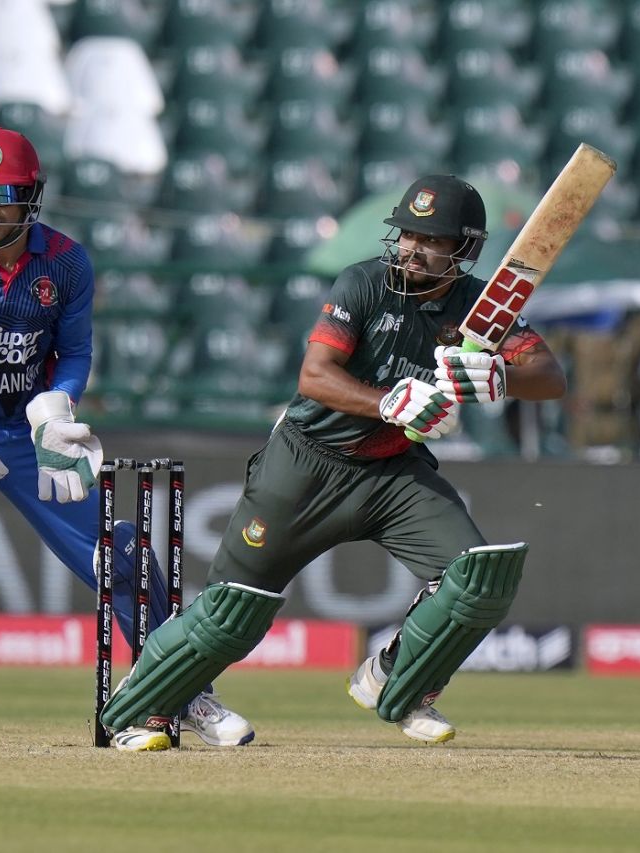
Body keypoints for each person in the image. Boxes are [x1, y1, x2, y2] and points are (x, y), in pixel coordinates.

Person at [100, 175, 568, 746]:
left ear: (463, 248)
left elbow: (551, 377)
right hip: (306, 464)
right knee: (232, 611)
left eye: (431, 240)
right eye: (408, 234)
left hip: (390, 474)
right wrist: (388, 402)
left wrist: (500, 378)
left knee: (479, 579)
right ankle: (137, 713)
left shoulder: (479, 308)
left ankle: (399, 681)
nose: (412, 248)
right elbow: (315, 377)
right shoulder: (364, 283)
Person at [0, 127, 252, 749]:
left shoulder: (66, 262)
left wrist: (56, 407)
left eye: (2, 195)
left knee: (120, 556)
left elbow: (74, 352)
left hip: (27, 433)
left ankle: (183, 695)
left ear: (30, 197)